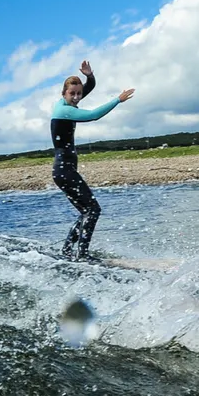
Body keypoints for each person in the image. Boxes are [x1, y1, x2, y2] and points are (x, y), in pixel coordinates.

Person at [50, 60, 134, 261]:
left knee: (86, 211)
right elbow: (94, 115)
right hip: (64, 171)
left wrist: (89, 76)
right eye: (72, 93)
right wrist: (118, 99)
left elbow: (89, 87)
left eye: (79, 93)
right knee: (93, 209)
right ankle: (82, 254)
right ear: (64, 93)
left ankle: (67, 250)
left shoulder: (65, 104)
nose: (77, 97)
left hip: (63, 171)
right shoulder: (65, 111)